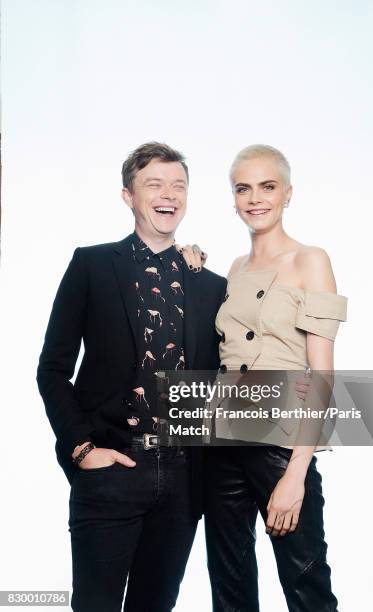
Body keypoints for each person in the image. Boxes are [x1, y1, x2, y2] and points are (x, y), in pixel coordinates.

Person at [36, 142, 227, 612]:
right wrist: (81, 448)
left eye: (178, 185)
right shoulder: (92, 265)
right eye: (154, 184)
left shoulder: (211, 284)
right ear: (128, 196)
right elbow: (53, 368)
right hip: (112, 470)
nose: (169, 195)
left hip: (184, 482)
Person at [202, 145, 347, 611]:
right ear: (233, 198)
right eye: (243, 188)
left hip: (280, 445)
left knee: (306, 586)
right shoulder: (234, 268)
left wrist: (296, 474)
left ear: (288, 193)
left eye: (267, 186)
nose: (255, 198)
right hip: (224, 438)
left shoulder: (310, 260)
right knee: (229, 586)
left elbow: (322, 375)